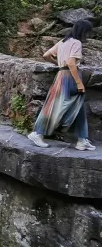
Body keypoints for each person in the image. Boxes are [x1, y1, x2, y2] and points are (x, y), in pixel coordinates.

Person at [27, 19, 96, 151]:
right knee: (55, 107)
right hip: (70, 78)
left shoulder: (63, 42)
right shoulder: (76, 43)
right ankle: (37, 133)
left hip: (61, 75)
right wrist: (79, 83)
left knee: (78, 107)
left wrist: (58, 65)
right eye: (87, 32)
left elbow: (46, 55)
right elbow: (71, 63)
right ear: (83, 31)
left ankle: (82, 139)